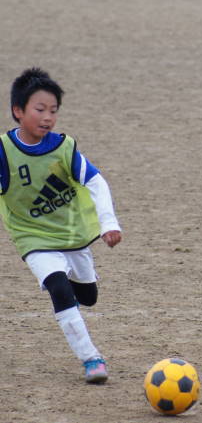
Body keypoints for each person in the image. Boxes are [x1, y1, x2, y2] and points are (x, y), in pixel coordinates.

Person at [0, 68, 122, 383]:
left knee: (89, 297)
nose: (48, 118)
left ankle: (73, 286)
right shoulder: (3, 153)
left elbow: (96, 182)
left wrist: (108, 223)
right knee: (58, 286)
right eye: (40, 109)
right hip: (33, 238)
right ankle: (91, 359)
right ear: (18, 111)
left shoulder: (63, 148)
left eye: (53, 111)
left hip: (71, 236)